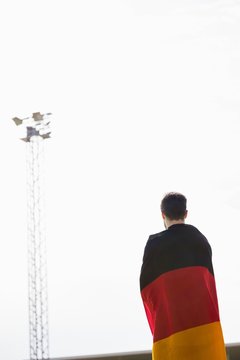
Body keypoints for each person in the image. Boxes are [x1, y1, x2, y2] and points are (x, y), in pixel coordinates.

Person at [140, 192, 226, 360]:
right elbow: (208, 287)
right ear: (186, 214)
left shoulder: (154, 245)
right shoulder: (200, 241)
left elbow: (148, 293)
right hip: (205, 334)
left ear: (163, 215)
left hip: (172, 337)